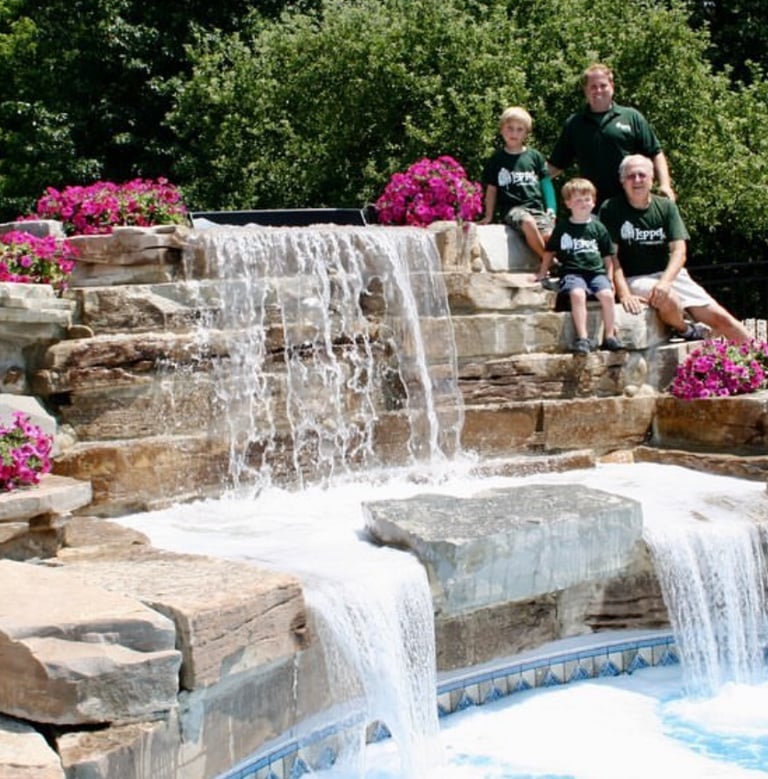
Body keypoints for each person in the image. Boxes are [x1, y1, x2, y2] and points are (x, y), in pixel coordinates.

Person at [599, 155, 750, 344]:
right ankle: (686, 329)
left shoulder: (666, 207)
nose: (637, 180)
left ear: (652, 179)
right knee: (668, 299)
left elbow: (679, 251)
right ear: (622, 181)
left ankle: (761, 361)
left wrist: (665, 281)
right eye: (630, 176)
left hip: (669, 275)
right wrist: (624, 294)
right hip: (636, 278)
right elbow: (611, 256)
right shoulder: (611, 208)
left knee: (724, 320)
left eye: (642, 175)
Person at [547, 63, 674, 206]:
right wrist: (527, 178)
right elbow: (556, 164)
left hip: (631, 203)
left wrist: (665, 185)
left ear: (612, 86)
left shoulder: (631, 117)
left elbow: (655, 153)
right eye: (593, 87)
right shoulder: (575, 123)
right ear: (585, 90)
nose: (598, 90)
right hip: (592, 207)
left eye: (603, 85)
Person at [535, 178, 622, 354]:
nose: (583, 203)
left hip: (596, 273)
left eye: (587, 199)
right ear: (568, 203)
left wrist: (610, 278)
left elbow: (608, 256)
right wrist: (542, 273)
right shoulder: (563, 228)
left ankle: (610, 336)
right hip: (572, 273)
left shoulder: (598, 228)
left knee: (606, 295)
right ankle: (583, 338)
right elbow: (549, 252)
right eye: (578, 200)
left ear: (594, 202)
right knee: (577, 294)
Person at [480, 106, 556, 258]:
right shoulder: (496, 159)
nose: (514, 133)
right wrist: (488, 216)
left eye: (519, 129)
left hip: (536, 209)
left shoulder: (535, 157)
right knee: (527, 222)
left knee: (550, 236)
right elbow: (492, 189)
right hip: (513, 210)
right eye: (510, 128)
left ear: (526, 133)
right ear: (502, 130)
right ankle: (549, 262)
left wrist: (552, 209)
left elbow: (546, 183)